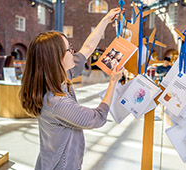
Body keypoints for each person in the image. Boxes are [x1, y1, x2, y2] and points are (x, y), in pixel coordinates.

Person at [19, 8, 123, 170]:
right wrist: (113, 82)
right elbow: (98, 117)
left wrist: (105, 20)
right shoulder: (57, 102)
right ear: (56, 59)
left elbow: (87, 49)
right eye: (68, 50)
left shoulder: (57, 77)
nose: (73, 52)